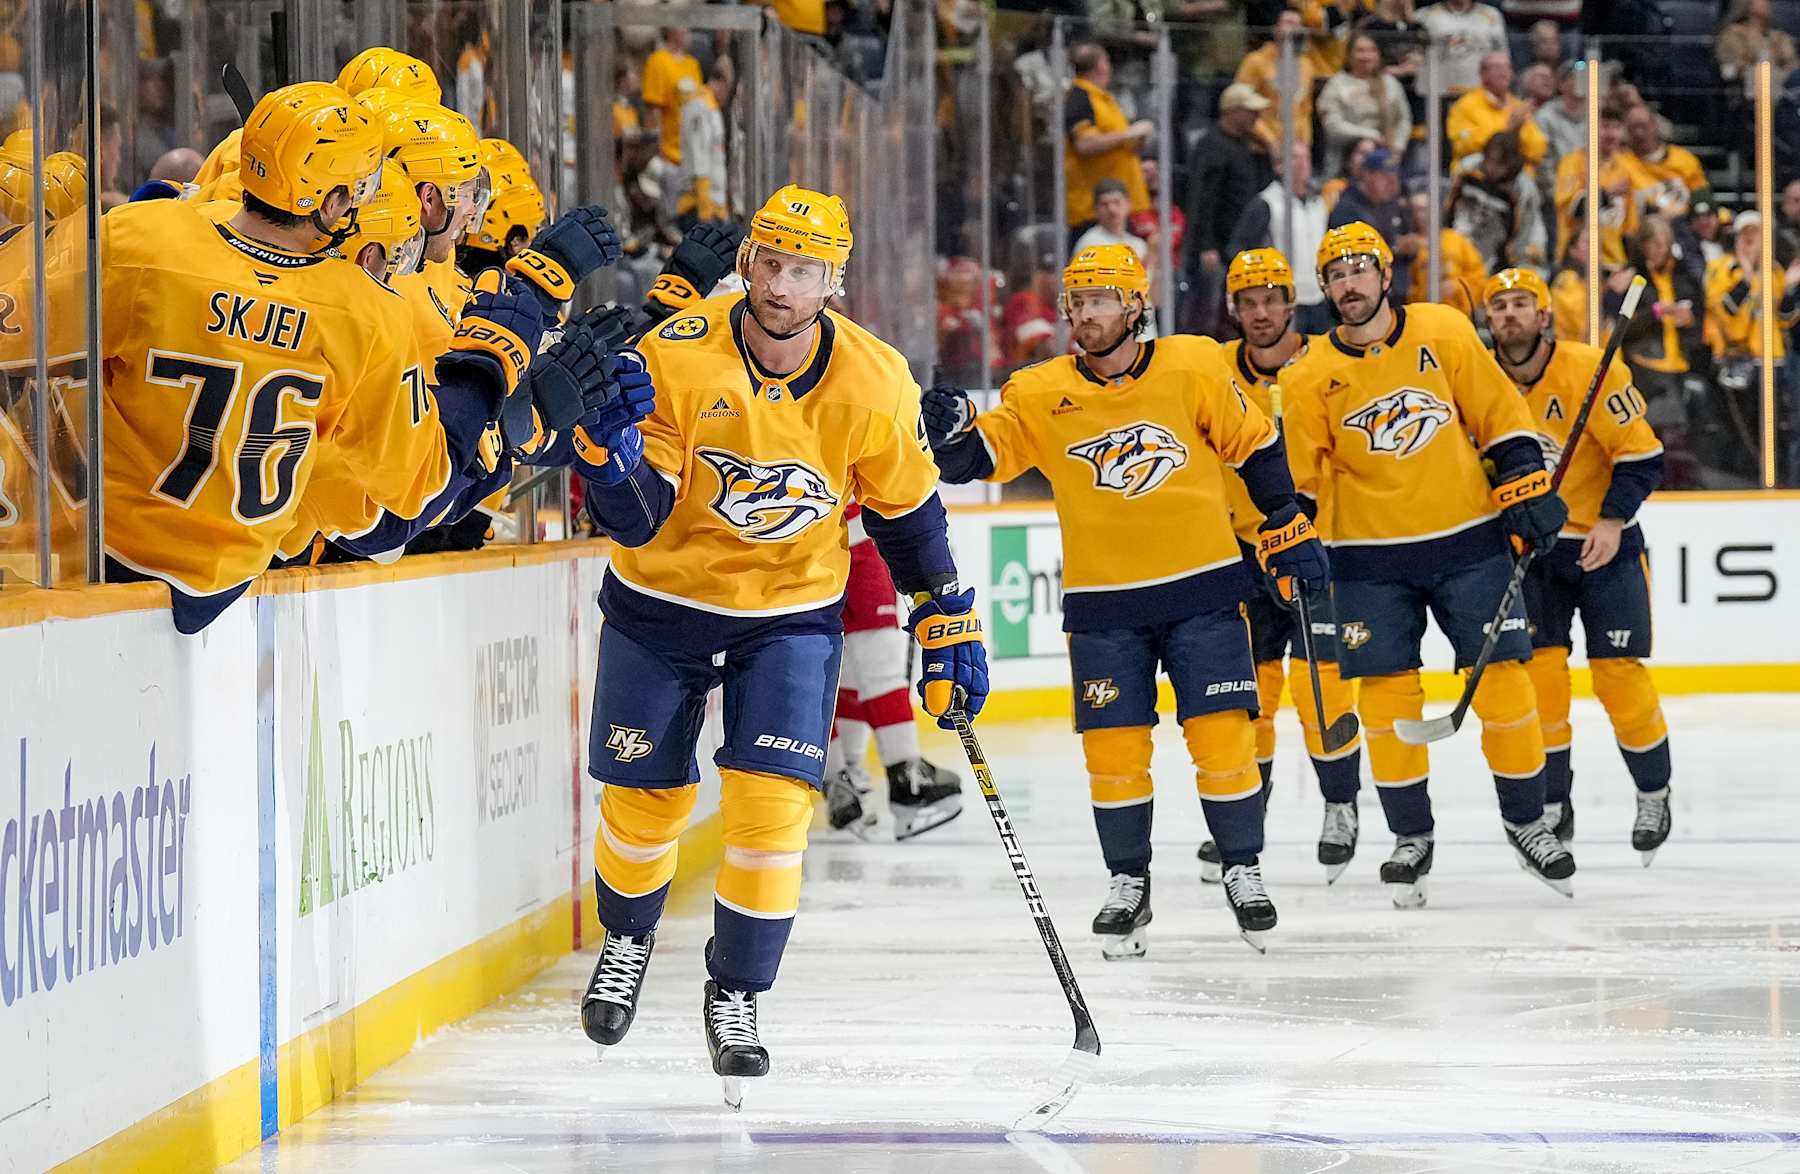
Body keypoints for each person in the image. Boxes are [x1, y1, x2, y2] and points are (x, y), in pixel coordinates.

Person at [573, 186, 988, 1101]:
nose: (781, 285)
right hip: (662, 600)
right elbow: (638, 519)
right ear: (746, 262)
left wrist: (945, 612)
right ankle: (628, 938)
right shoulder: (676, 355)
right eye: (770, 263)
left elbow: (909, 516)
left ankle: (737, 992)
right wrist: (610, 457)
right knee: (643, 802)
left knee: (772, 812)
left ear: (833, 282)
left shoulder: (875, 380)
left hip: (791, 612)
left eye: (805, 270)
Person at [922, 244, 1327, 956]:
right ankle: (1127, 883)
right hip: (1104, 604)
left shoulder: (1193, 365)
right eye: (1077, 302)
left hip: (1204, 587)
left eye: (1101, 300)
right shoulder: (1040, 391)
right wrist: (950, 429)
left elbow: (1256, 445)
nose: (1086, 315)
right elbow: (974, 461)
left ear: (1136, 306)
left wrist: (1286, 521)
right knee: (1113, 753)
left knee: (1223, 739)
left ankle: (1242, 867)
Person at [97, 83, 569, 632]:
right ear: (331, 202)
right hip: (225, 583)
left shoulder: (137, 236)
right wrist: (484, 374)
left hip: (98, 556)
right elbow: (415, 485)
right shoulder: (363, 310)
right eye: (364, 187)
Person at [1281, 222, 1576, 908]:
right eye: (1335, 276)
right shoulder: (1307, 375)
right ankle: (1410, 836)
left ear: (1386, 275)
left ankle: (1527, 821)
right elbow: (1299, 481)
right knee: (1386, 702)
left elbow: (1498, 414)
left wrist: (1526, 487)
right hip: (1367, 559)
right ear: (1325, 290)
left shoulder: (1441, 330)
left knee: (1505, 685)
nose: (1349, 285)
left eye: (1359, 270)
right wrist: (1291, 541)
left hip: (1469, 541)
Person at [1483, 268, 1672, 861]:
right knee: (1542, 679)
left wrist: (1612, 520)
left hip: (1601, 545)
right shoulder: (1477, 380)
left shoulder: (1591, 368)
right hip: (1530, 553)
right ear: (1488, 321)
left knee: (1618, 674)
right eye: (1499, 306)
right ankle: (1551, 804)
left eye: (1521, 304)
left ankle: (1654, 791)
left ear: (1544, 316)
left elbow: (1642, 456)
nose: (1510, 314)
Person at [1211, 247, 1364, 883]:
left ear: (1291, 303)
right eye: (1248, 303)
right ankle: (1248, 813)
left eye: (1271, 300)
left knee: (1321, 684)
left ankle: (1340, 805)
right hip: (1241, 553)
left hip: (1316, 547)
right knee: (1251, 692)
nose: (1261, 313)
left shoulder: (1328, 362)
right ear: (1234, 309)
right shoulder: (1214, 368)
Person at [822, 500, 967, 840]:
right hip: (856, 539)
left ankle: (842, 779)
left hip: (811, 542)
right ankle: (907, 779)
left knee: (838, 668)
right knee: (879, 661)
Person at [1183, 82, 1274, 334]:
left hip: (1241, 242)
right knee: (1209, 313)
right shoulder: (1211, 146)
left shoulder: (1248, 145)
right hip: (1217, 246)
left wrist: (1267, 149)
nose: (1256, 116)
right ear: (1232, 111)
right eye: (1250, 111)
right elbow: (1201, 199)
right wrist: (1206, 245)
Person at [1227, 142, 1333, 333]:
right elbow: (1239, 247)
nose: (1302, 163)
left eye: (1305, 157)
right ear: (1279, 166)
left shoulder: (1319, 203)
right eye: (1295, 158)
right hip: (1284, 299)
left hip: (1317, 297)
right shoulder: (1266, 203)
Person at [1063, 41, 1152, 238]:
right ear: (1102, 65)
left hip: (1118, 207)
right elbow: (1084, 144)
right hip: (1094, 211)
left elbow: (1115, 144)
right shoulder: (1080, 97)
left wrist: (1137, 140)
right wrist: (1130, 133)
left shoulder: (1103, 99)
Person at [1446, 130, 1548, 274]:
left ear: (1512, 163)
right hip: (1459, 239)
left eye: (1500, 164)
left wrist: (1518, 262)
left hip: (1495, 253)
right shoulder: (1468, 168)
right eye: (1490, 160)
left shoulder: (1523, 187)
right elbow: (1447, 204)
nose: (1492, 168)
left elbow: (1527, 230)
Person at [1317, 32, 1412, 182]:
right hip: (1347, 155)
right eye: (1360, 50)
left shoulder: (1390, 83)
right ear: (1349, 55)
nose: (1366, 56)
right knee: (1366, 148)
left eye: (1371, 50)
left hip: (1390, 151)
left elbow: (1404, 119)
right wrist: (1371, 135)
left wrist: (1398, 147)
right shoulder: (1337, 85)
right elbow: (1333, 126)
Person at [1329, 147, 1417, 303]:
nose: (1392, 182)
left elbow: (1408, 240)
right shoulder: (1347, 209)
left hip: (1397, 292)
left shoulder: (1393, 205)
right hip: (1362, 296)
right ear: (1367, 175)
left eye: (1394, 176)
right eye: (1384, 176)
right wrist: (1395, 248)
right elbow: (1350, 256)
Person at [1554, 105, 1637, 270]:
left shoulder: (1626, 167)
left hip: (1614, 264)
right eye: (1605, 126)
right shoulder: (1572, 163)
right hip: (1577, 262)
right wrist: (1607, 193)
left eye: (1616, 127)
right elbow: (1574, 208)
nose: (1611, 134)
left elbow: (1629, 228)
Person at [1446, 51, 1547, 168]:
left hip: (1516, 172)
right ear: (1483, 74)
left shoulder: (1518, 107)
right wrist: (1508, 130)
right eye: (1497, 67)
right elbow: (1463, 146)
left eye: (1507, 67)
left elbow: (1537, 151)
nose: (1504, 72)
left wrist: (1516, 131)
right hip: (1478, 171)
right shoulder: (1465, 105)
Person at [1235, 11, 1316, 153]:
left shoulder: (1306, 65)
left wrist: (1305, 143)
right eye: (1288, 22)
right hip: (1260, 146)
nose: (1293, 28)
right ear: (1276, 29)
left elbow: (1305, 110)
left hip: (1295, 148)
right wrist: (1270, 140)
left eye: (1298, 24)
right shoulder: (1254, 61)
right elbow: (1242, 103)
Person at [1619, 105, 1709, 223]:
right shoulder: (1620, 163)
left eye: (1644, 126)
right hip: (1643, 227)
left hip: (1684, 225)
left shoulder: (1684, 159)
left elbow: (1702, 196)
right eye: (1633, 128)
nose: (1639, 133)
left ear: (1655, 126)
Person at [1415, 0, 1508, 97]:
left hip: (1478, 93)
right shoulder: (1424, 16)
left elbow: (1502, 56)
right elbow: (1414, 57)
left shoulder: (1492, 15)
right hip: (1436, 93)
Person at [641, 29, 703, 166]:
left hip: (693, 155)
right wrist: (658, 155)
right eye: (683, 25)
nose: (687, 30)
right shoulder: (657, 61)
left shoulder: (693, 65)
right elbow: (653, 111)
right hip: (668, 156)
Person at [1716, 0, 1798, 100]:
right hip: (1751, 84)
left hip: (1781, 81)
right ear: (1747, 5)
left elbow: (1792, 61)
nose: (1766, 4)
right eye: (1761, 2)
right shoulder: (1733, 34)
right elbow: (1734, 64)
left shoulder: (1777, 36)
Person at [1534, 61, 1587, 190]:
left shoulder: (1596, 115)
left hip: (1592, 190)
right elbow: (1543, 162)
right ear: (1561, 84)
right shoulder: (1545, 117)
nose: (1583, 81)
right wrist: (1559, 193)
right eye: (1575, 77)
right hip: (1558, 190)